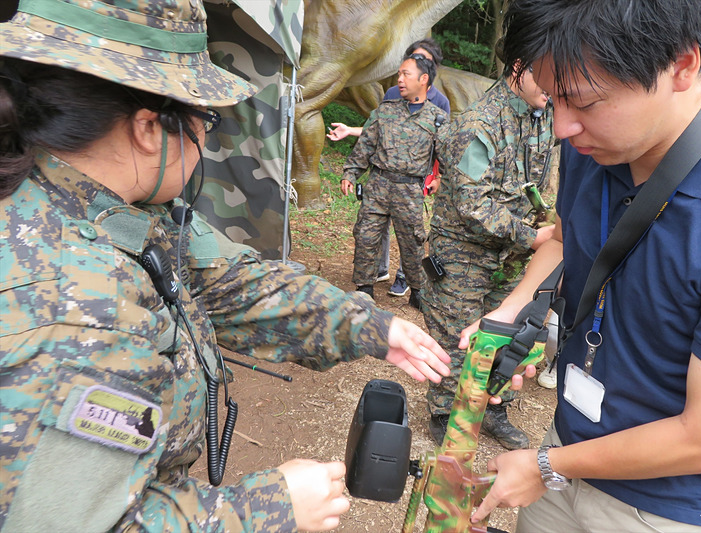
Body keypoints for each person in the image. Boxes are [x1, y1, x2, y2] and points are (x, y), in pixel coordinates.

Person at [0, 2, 453, 532]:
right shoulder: (78, 313)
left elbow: (230, 283)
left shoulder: (98, 207)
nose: (207, 138)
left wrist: (368, 325)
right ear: (149, 127)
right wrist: (269, 508)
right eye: (204, 119)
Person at [466, 1, 701, 532]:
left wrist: (545, 465)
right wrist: (516, 311)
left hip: (663, 507)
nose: (560, 127)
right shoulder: (592, 144)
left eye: (582, 102)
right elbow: (563, 236)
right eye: (552, 99)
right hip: (566, 451)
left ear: (682, 65)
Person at [421, 64, 556, 450]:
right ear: (518, 70)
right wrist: (533, 237)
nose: (552, 86)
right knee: (456, 334)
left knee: (508, 330)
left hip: (511, 251)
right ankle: (445, 412)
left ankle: (493, 409)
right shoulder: (477, 125)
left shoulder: (542, 115)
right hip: (464, 250)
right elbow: (472, 205)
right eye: (545, 74)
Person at [329, 38, 450, 299]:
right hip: (378, 186)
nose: (400, 79)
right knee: (366, 236)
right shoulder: (385, 110)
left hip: (409, 191)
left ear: (424, 80)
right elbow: (366, 145)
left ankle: (417, 291)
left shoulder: (437, 118)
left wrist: (439, 178)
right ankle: (364, 288)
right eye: (399, 74)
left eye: (406, 74)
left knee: (413, 244)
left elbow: (446, 156)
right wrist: (350, 172)